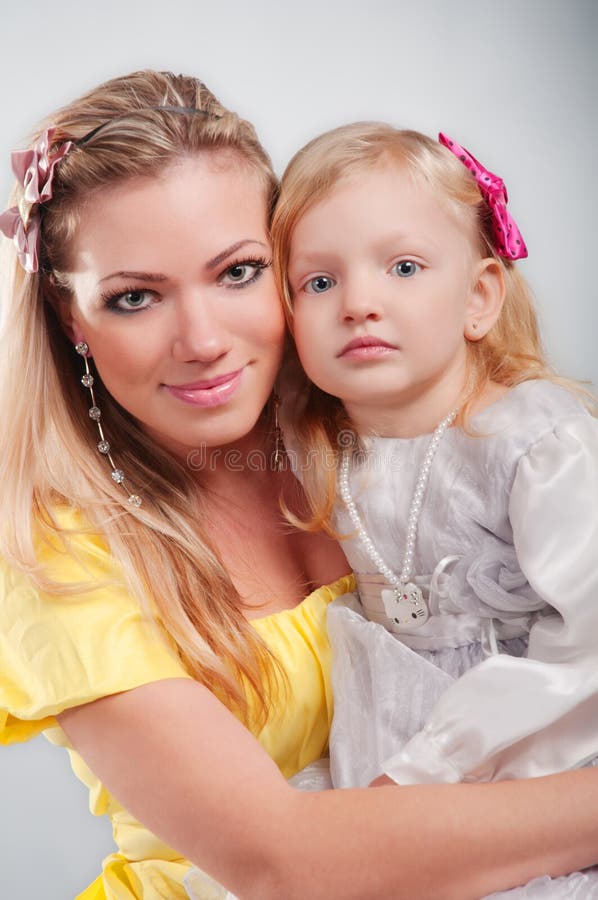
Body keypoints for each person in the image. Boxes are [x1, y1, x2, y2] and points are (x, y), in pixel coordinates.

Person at [1, 74, 598, 900]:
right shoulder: (51, 557)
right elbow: (285, 866)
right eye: (135, 297)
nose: (204, 340)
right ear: (74, 325)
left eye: (238, 272)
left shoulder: (387, 436)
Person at [271, 122, 598, 895]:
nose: (359, 303)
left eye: (404, 267)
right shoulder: (317, 437)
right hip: (382, 741)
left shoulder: (534, 441)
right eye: (318, 283)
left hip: (535, 748)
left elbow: (585, 646)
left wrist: (436, 769)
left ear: (479, 297)